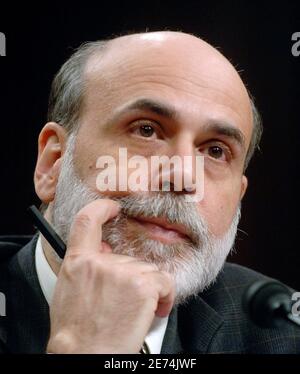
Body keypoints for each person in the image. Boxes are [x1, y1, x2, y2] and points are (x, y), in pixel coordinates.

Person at [0, 31, 299, 354]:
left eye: (214, 151)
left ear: (238, 197)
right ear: (53, 163)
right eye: (146, 130)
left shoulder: (280, 328)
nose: (183, 176)